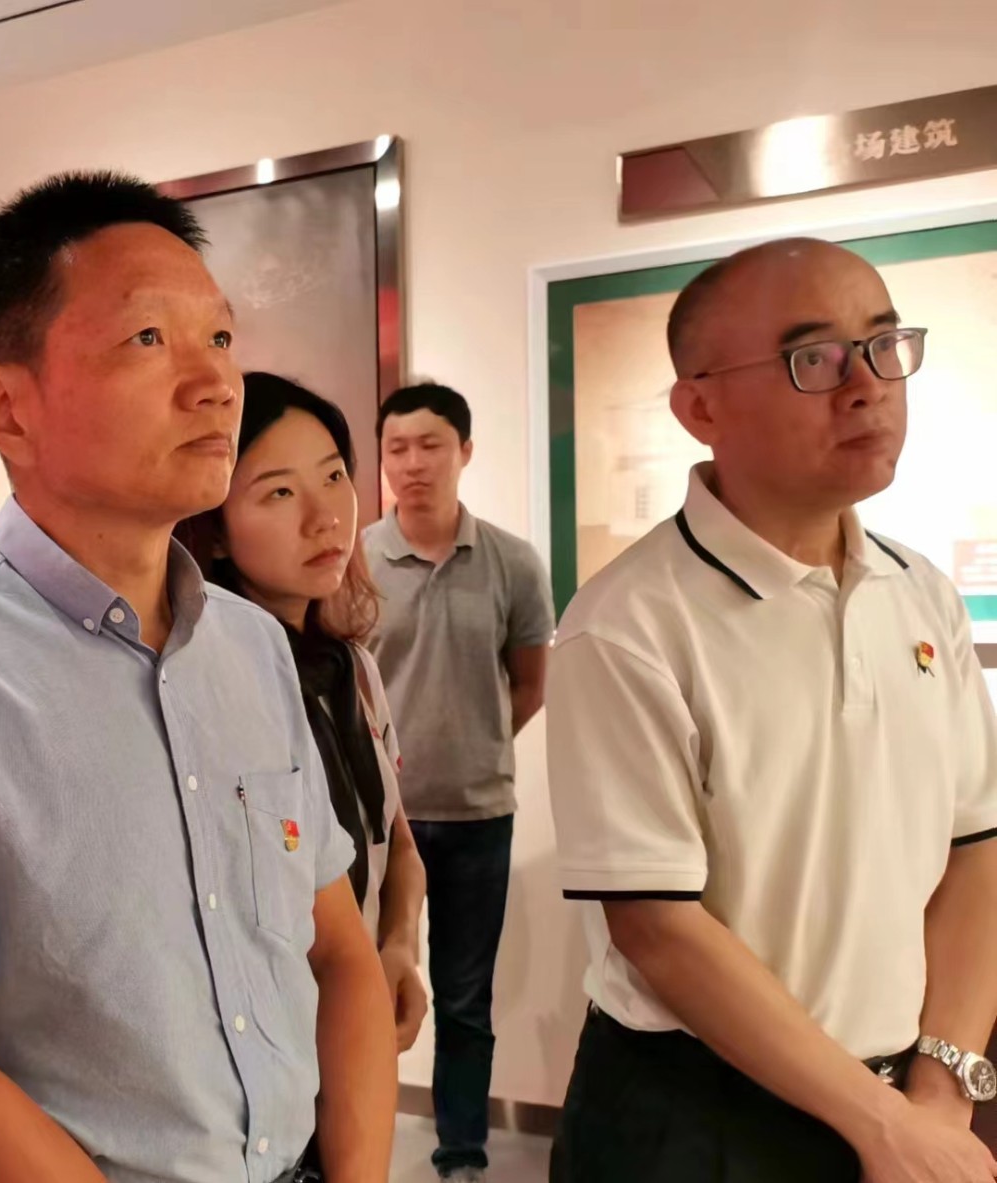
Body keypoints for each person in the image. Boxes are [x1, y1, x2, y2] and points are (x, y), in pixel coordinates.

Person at [0, 172, 397, 1182]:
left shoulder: (250, 645)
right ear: (6, 407)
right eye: (148, 339)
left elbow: (337, 955)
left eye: (220, 337)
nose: (215, 382)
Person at [546, 237, 997, 1182]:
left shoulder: (921, 593)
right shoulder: (627, 624)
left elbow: (974, 850)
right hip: (701, 1115)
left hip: (907, 1098)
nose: (866, 387)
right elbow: (658, 928)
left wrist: (940, 1089)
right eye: (814, 358)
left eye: (883, 346)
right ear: (700, 407)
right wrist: (883, 1123)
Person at [178, 371, 428, 1061]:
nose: (326, 518)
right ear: (215, 531)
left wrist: (399, 947)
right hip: (263, 1052)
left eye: (335, 476)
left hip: (355, 1031)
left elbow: (397, 844)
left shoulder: (353, 669)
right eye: (280, 492)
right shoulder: (203, 690)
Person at [363, 382, 554, 1180]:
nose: (413, 463)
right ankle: (356, 1151)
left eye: (431, 444)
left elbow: (530, 683)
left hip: (480, 815)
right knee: (364, 994)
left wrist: (477, 745)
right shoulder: (356, 559)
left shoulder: (512, 561)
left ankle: (462, 1157)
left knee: (465, 1001)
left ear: (464, 451)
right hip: (381, 823)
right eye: (397, 448)